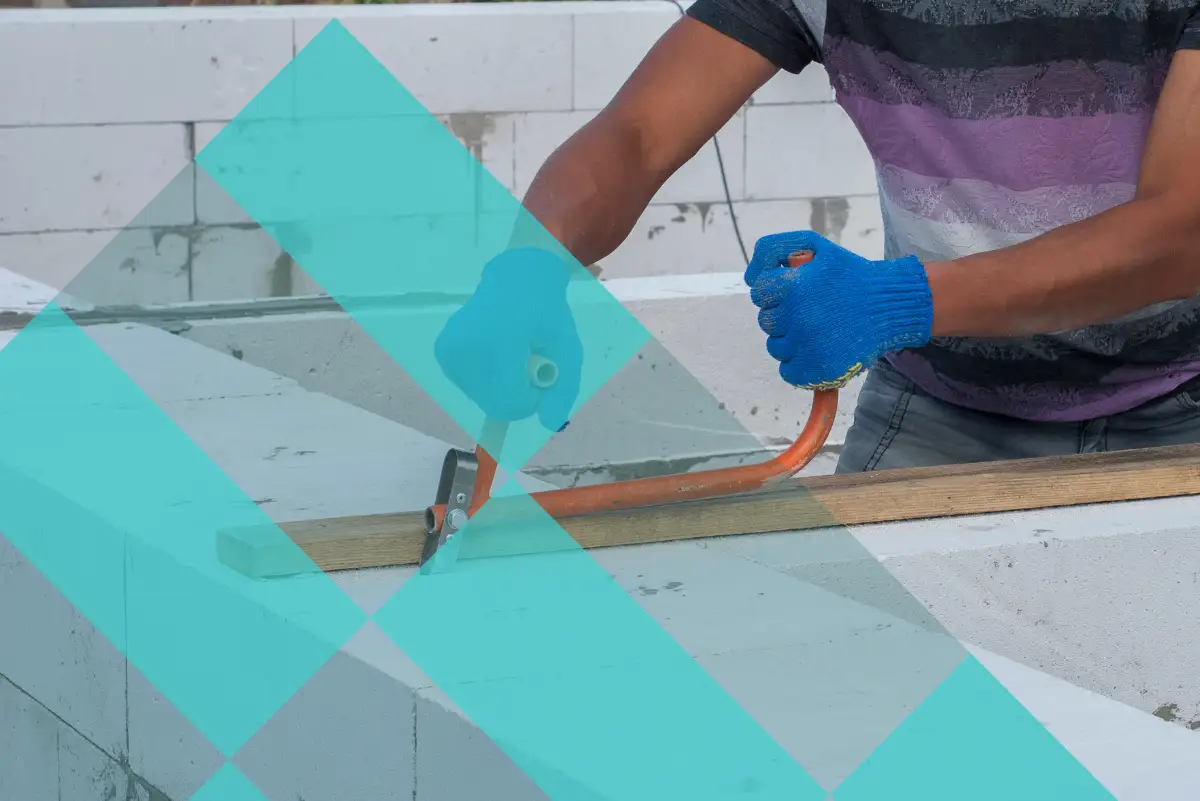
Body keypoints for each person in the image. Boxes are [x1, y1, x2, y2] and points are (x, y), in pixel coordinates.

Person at [435, 0, 1200, 473]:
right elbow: (636, 135)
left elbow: (1183, 231)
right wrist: (528, 267)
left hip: (1178, 402)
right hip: (939, 407)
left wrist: (897, 301)